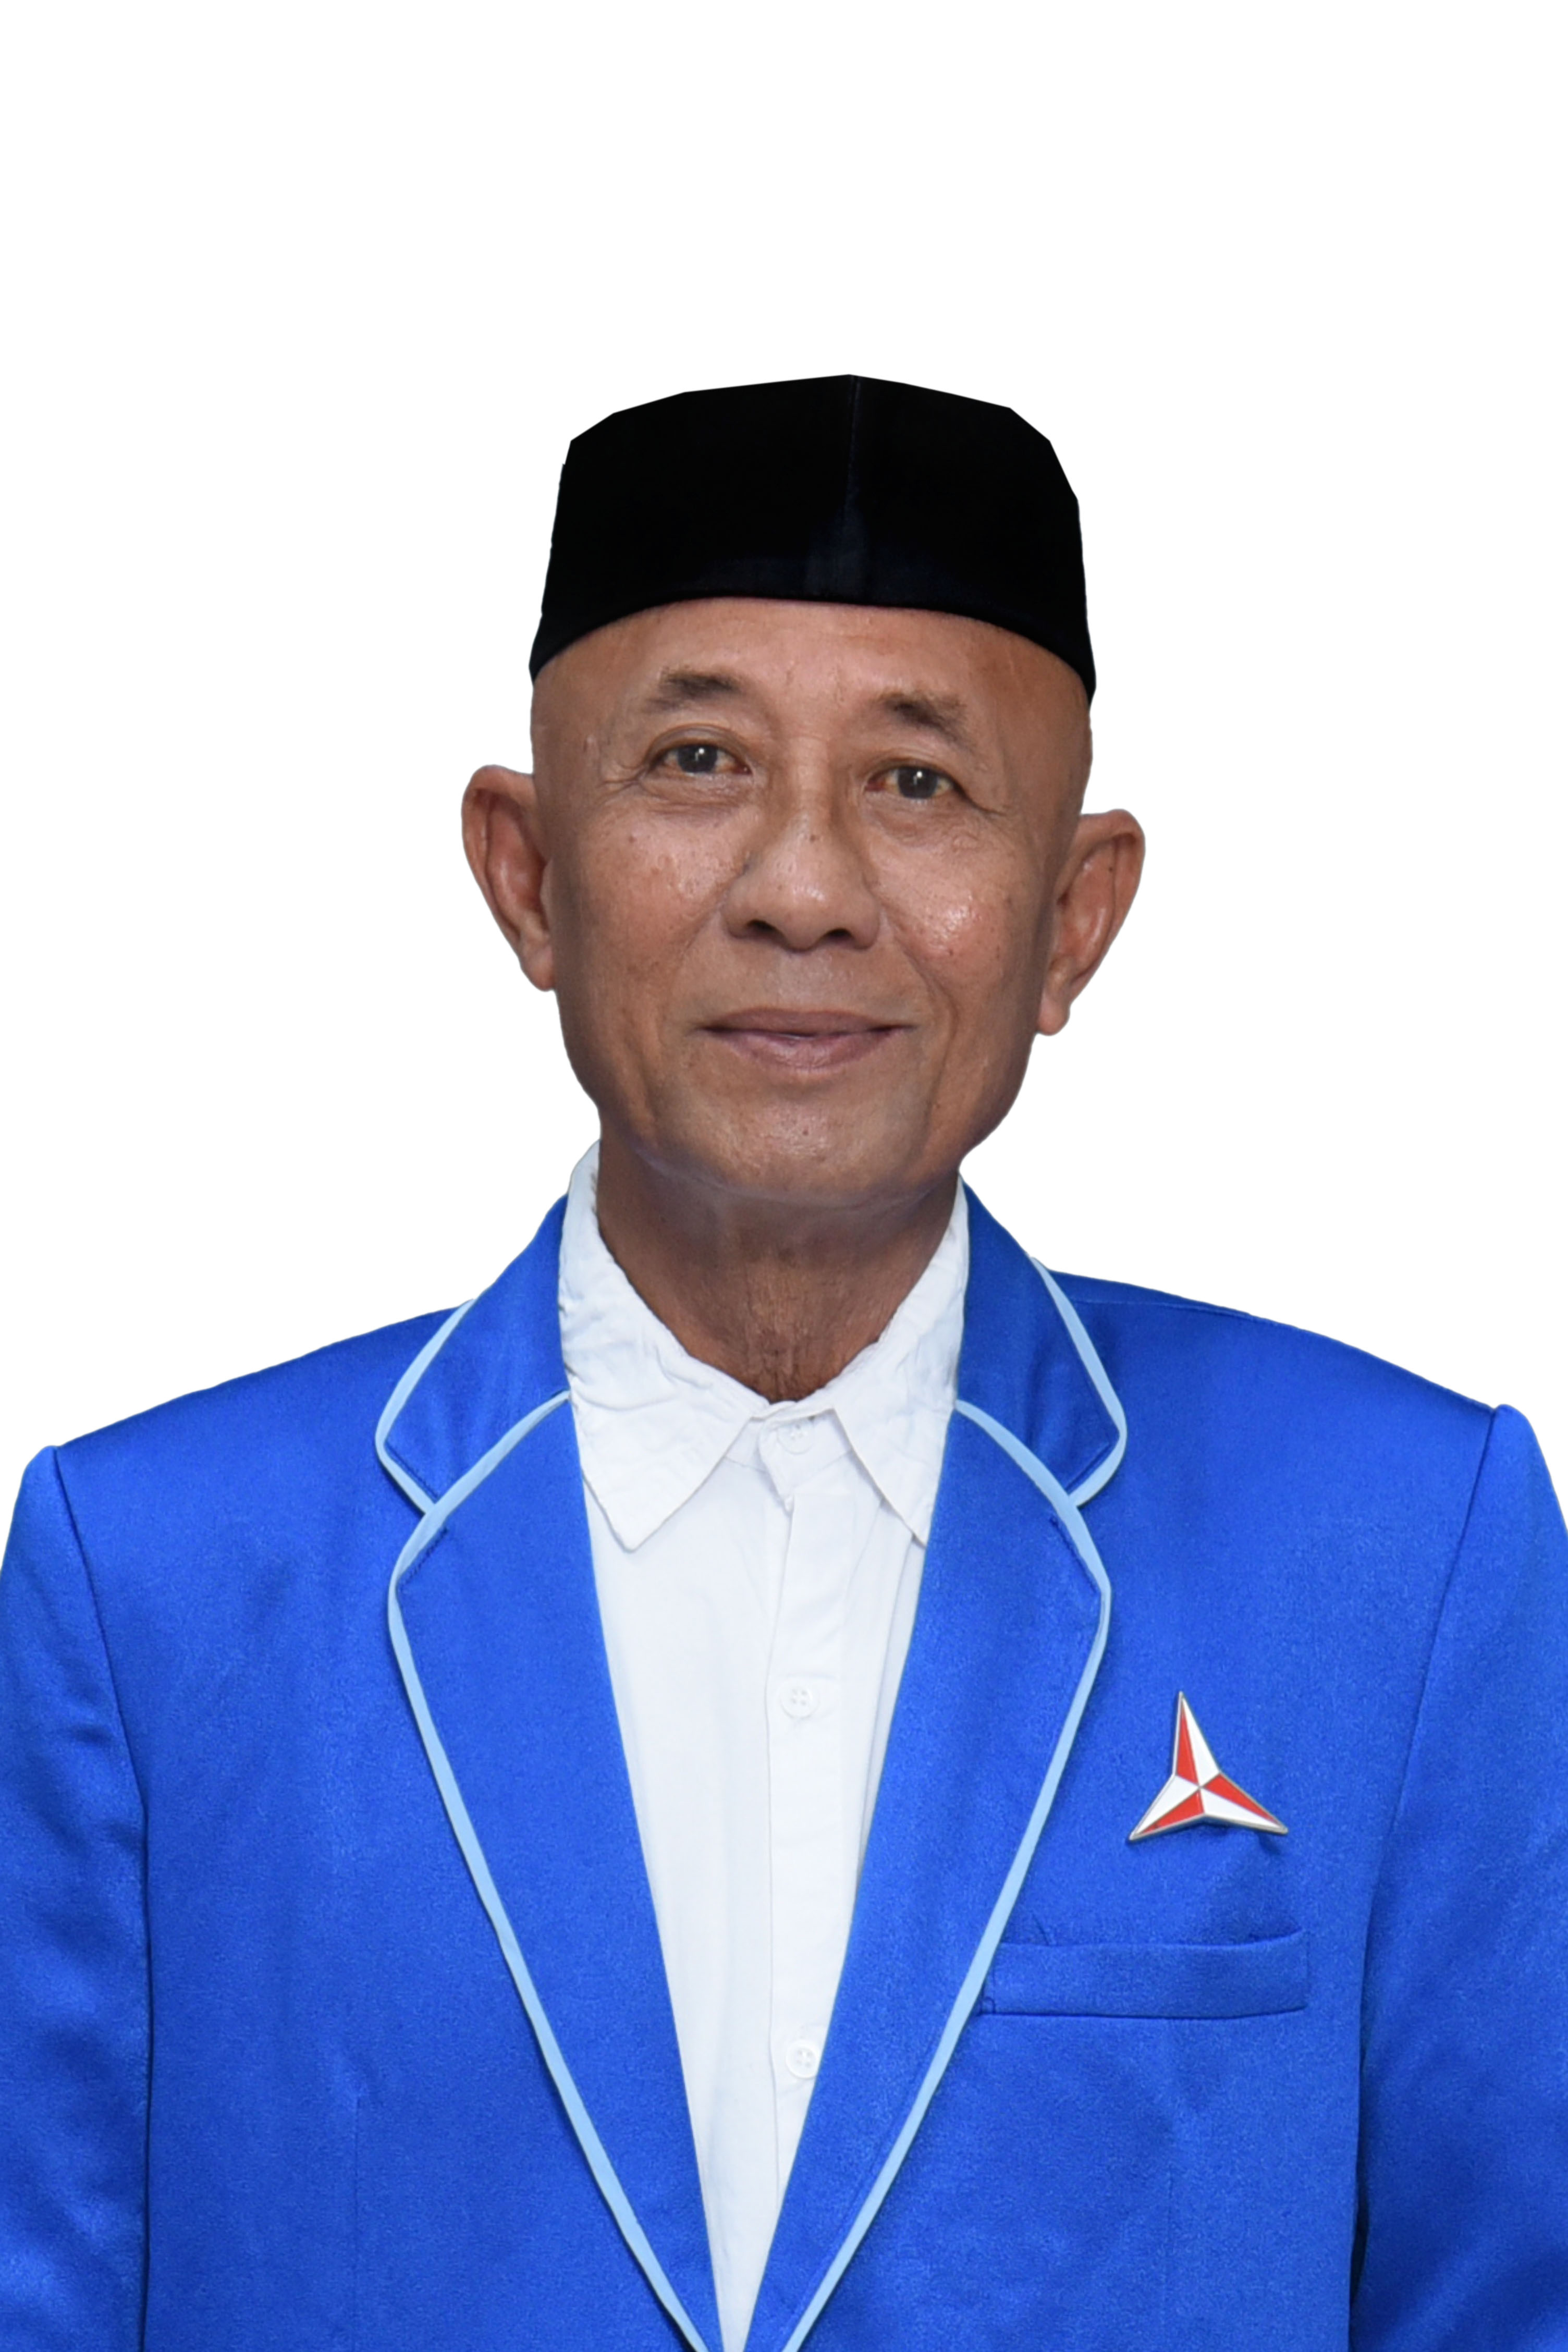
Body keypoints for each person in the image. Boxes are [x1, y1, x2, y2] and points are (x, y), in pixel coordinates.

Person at [1, 375, 1563, 2352]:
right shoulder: (148, 1586)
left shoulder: (1403, 1555)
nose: (805, 888)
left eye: (918, 782)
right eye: (699, 762)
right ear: (528, 874)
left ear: (1073, 918)